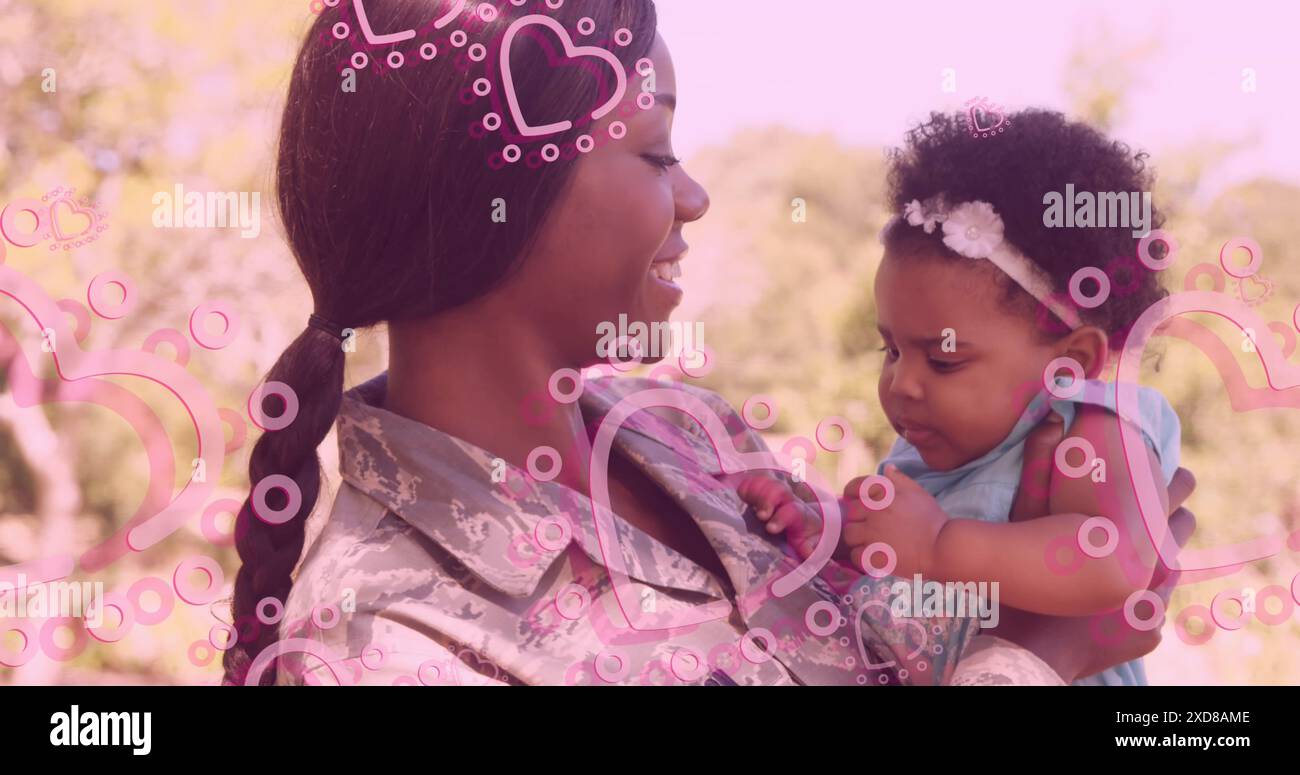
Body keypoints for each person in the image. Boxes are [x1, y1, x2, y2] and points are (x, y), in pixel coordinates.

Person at [218, 1, 1196, 686]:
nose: (693, 195)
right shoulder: (386, 639)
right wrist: (1043, 656)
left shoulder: (692, 439)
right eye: (652, 151)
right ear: (484, 202)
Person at [738, 110, 1186, 685]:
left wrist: (940, 545)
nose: (902, 384)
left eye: (945, 360)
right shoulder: (925, 457)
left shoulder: (1092, 425)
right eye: (891, 351)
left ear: (1070, 364)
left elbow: (1117, 561)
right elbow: (900, 575)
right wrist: (828, 534)